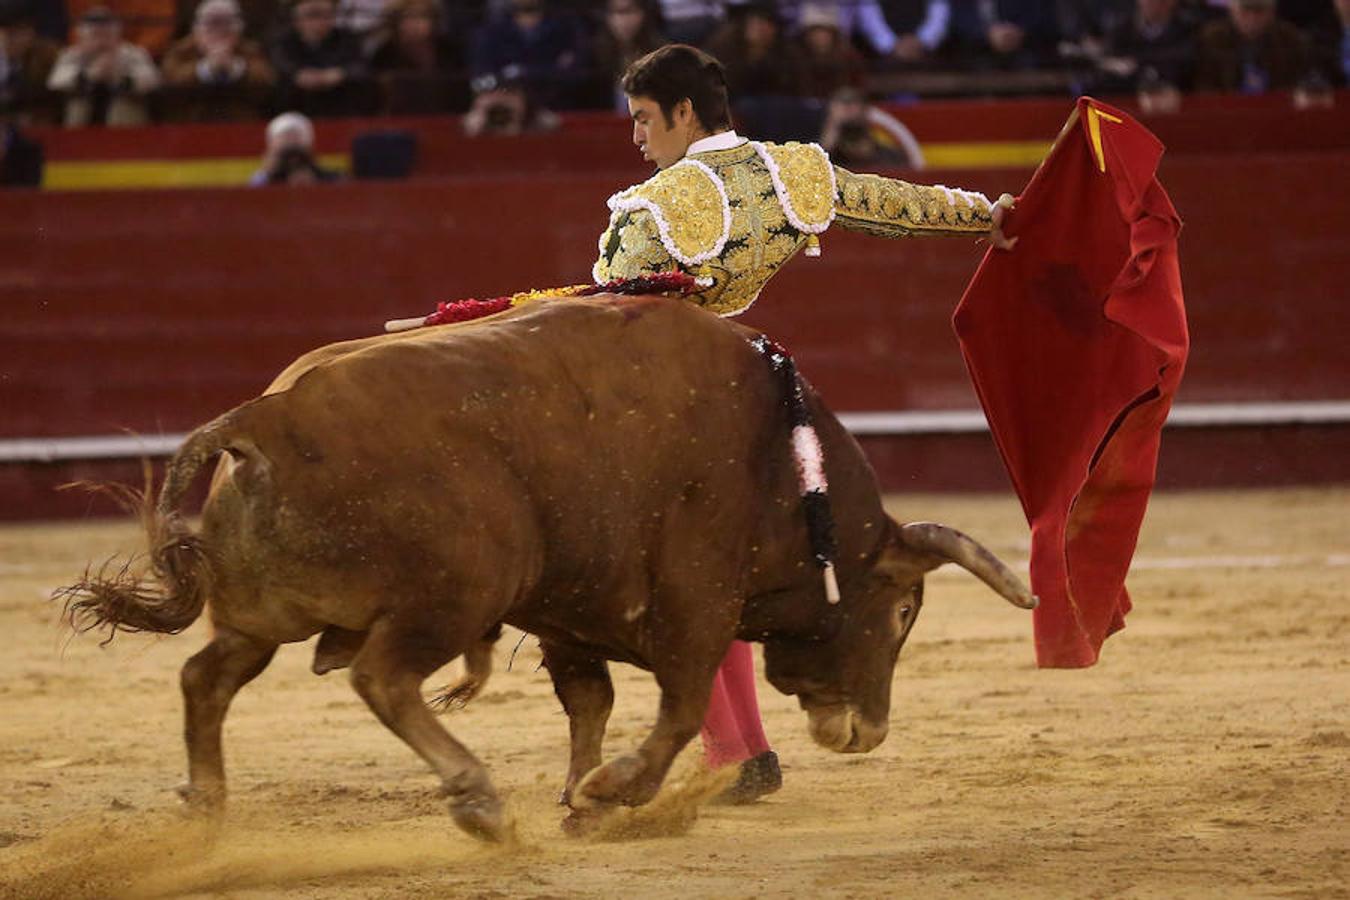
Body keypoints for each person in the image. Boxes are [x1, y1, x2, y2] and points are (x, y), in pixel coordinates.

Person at [594, 43, 1011, 801]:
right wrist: (985, 218)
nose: (637, 138)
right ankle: (743, 751)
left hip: (663, 419)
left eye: (645, 119)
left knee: (665, 589)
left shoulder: (648, 211)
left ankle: (729, 753)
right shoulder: (794, 174)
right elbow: (895, 207)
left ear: (684, 113)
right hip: (755, 404)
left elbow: (609, 330)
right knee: (717, 581)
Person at [160, 0, 274, 121]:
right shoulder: (181, 51)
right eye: (210, 26)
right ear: (196, 28)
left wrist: (236, 67)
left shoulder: (250, 50)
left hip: (240, 124)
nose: (218, 32)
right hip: (190, 124)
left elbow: (266, 82)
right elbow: (169, 84)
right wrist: (205, 69)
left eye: (226, 26)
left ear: (239, 28)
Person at [47, 6, 160, 127]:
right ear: (82, 35)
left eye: (105, 33)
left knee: (124, 106)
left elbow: (152, 80)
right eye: (96, 34)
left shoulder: (132, 53)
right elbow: (56, 81)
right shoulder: (72, 55)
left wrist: (119, 79)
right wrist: (89, 76)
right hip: (84, 109)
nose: (101, 40)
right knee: (77, 105)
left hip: (123, 108)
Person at [269, 0, 372, 117]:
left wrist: (339, 74)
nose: (319, 22)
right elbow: (279, 63)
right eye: (312, 16)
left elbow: (361, 66)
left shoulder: (346, 39)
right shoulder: (284, 41)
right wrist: (297, 74)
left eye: (326, 15)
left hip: (339, 103)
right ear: (297, 20)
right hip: (296, 106)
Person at [368, 0, 465, 114]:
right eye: (407, 17)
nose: (415, 24)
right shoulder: (383, 54)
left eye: (422, 16)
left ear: (434, 22)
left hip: (445, 118)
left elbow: (459, 96)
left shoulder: (450, 51)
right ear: (396, 23)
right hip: (398, 120)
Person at [1194, 0, 1313, 92]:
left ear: (1272, 12)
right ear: (1232, 9)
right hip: (1226, 112)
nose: (1252, 19)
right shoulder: (1211, 39)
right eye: (1245, 11)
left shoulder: (1291, 39)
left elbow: (1298, 82)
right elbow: (1204, 85)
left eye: (1259, 11)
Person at [249, 109, 339, 183]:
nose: (290, 143)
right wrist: (266, 172)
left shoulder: (330, 177)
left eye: (295, 137)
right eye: (285, 137)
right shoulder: (264, 178)